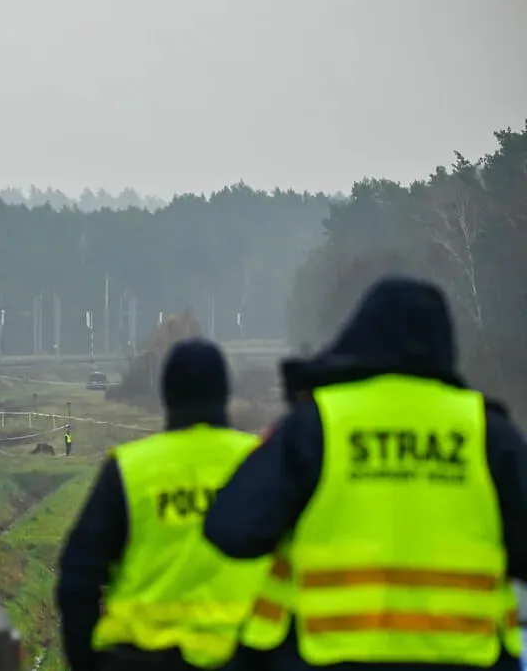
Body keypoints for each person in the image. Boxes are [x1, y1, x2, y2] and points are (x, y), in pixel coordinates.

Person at [205, 275, 527, 671]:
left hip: (327, 655)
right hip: (466, 659)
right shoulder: (488, 432)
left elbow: (232, 530)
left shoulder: (318, 425)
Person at [56, 339, 271, 671]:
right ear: (225, 394)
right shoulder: (263, 462)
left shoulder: (129, 469)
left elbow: (77, 578)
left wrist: (86, 661)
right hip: (246, 656)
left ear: (166, 395)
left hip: (138, 659)